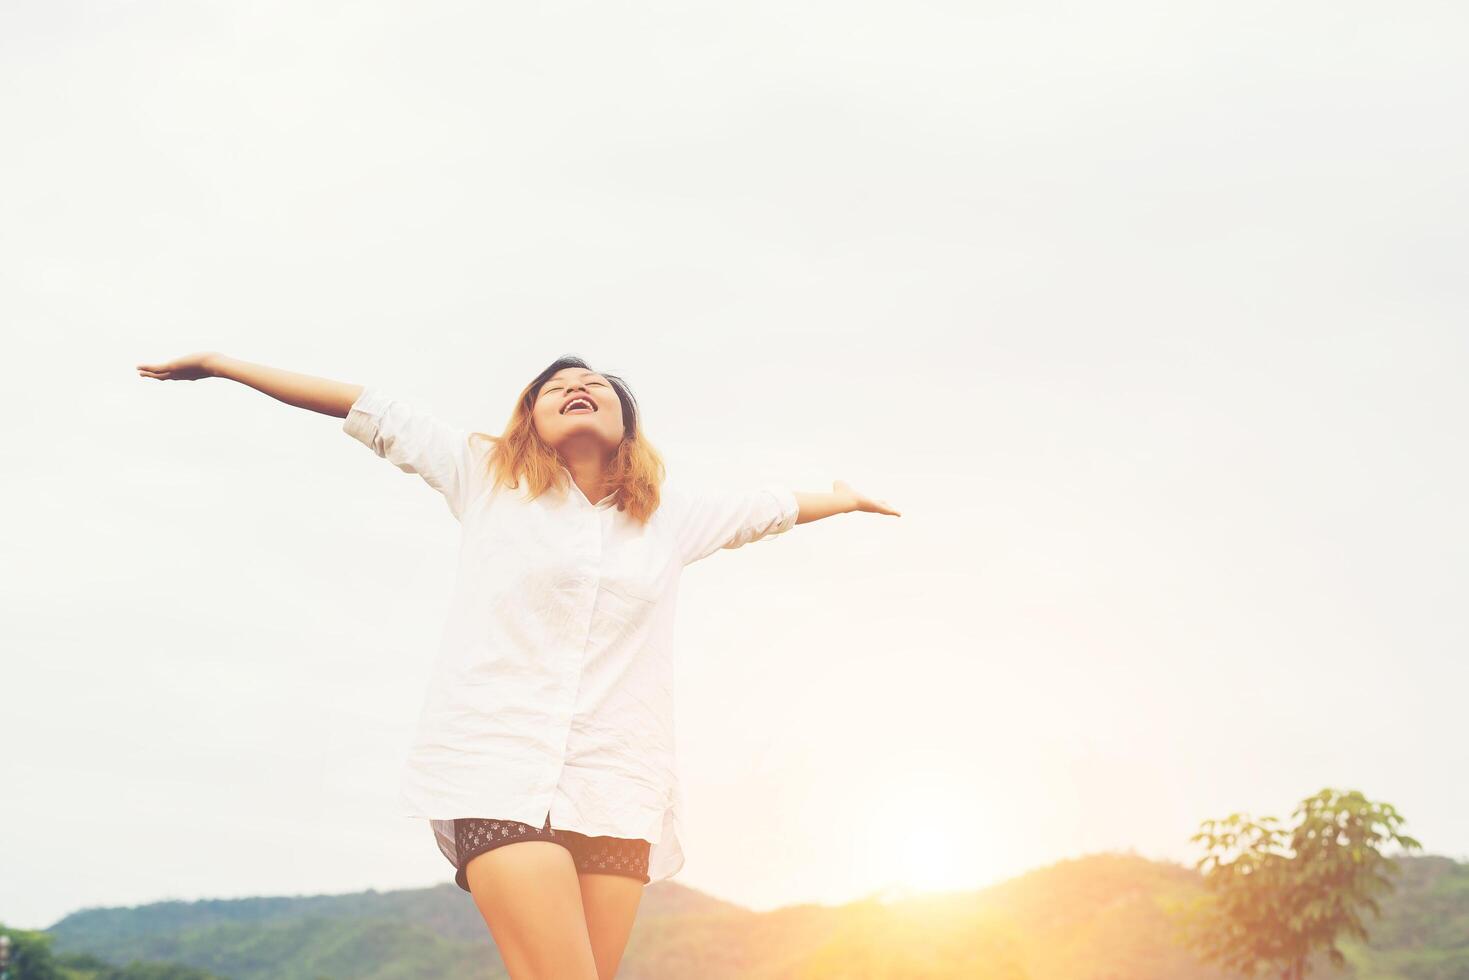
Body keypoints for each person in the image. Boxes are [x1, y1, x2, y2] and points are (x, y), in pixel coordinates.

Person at [135, 351, 901, 980]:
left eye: (594, 385)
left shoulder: (668, 520)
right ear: (529, 419)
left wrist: (836, 499)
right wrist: (222, 365)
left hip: (615, 787)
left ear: (624, 422)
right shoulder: (486, 478)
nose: (575, 388)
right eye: (554, 387)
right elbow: (367, 404)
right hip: (495, 767)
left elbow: (769, 508)